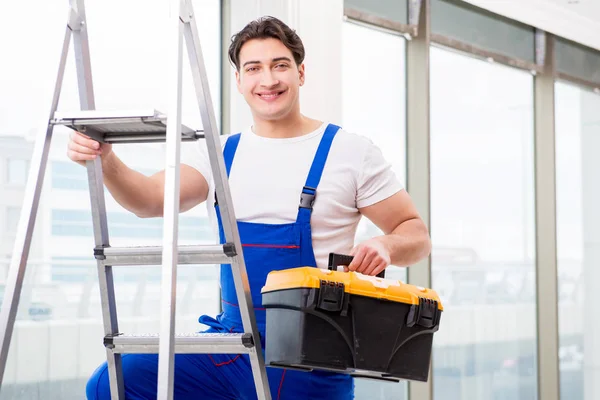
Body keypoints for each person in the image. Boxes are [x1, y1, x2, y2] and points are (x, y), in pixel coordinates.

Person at [71, 15, 431, 400]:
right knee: (114, 381)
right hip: (231, 344)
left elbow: (415, 233)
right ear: (240, 81)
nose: (269, 80)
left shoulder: (351, 152)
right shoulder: (219, 153)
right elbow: (149, 200)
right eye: (254, 68)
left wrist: (385, 246)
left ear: (301, 73)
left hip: (310, 355)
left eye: (280, 65)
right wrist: (106, 161)